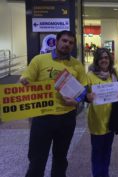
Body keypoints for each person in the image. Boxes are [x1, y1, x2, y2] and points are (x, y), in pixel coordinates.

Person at [20, 30, 87, 177]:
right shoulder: (39, 60)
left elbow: (84, 88)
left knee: (61, 159)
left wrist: (77, 100)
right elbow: (27, 77)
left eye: (70, 43)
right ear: (56, 41)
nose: (67, 45)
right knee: (37, 160)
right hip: (43, 118)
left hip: (66, 118)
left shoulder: (77, 65)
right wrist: (24, 80)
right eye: (64, 41)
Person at [86, 48, 118, 177]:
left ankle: (105, 174)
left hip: (111, 120)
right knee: (97, 152)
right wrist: (88, 97)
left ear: (110, 60)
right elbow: (84, 95)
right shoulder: (90, 76)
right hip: (97, 122)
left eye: (106, 58)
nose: (104, 60)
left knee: (107, 151)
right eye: (101, 58)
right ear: (97, 60)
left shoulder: (115, 74)